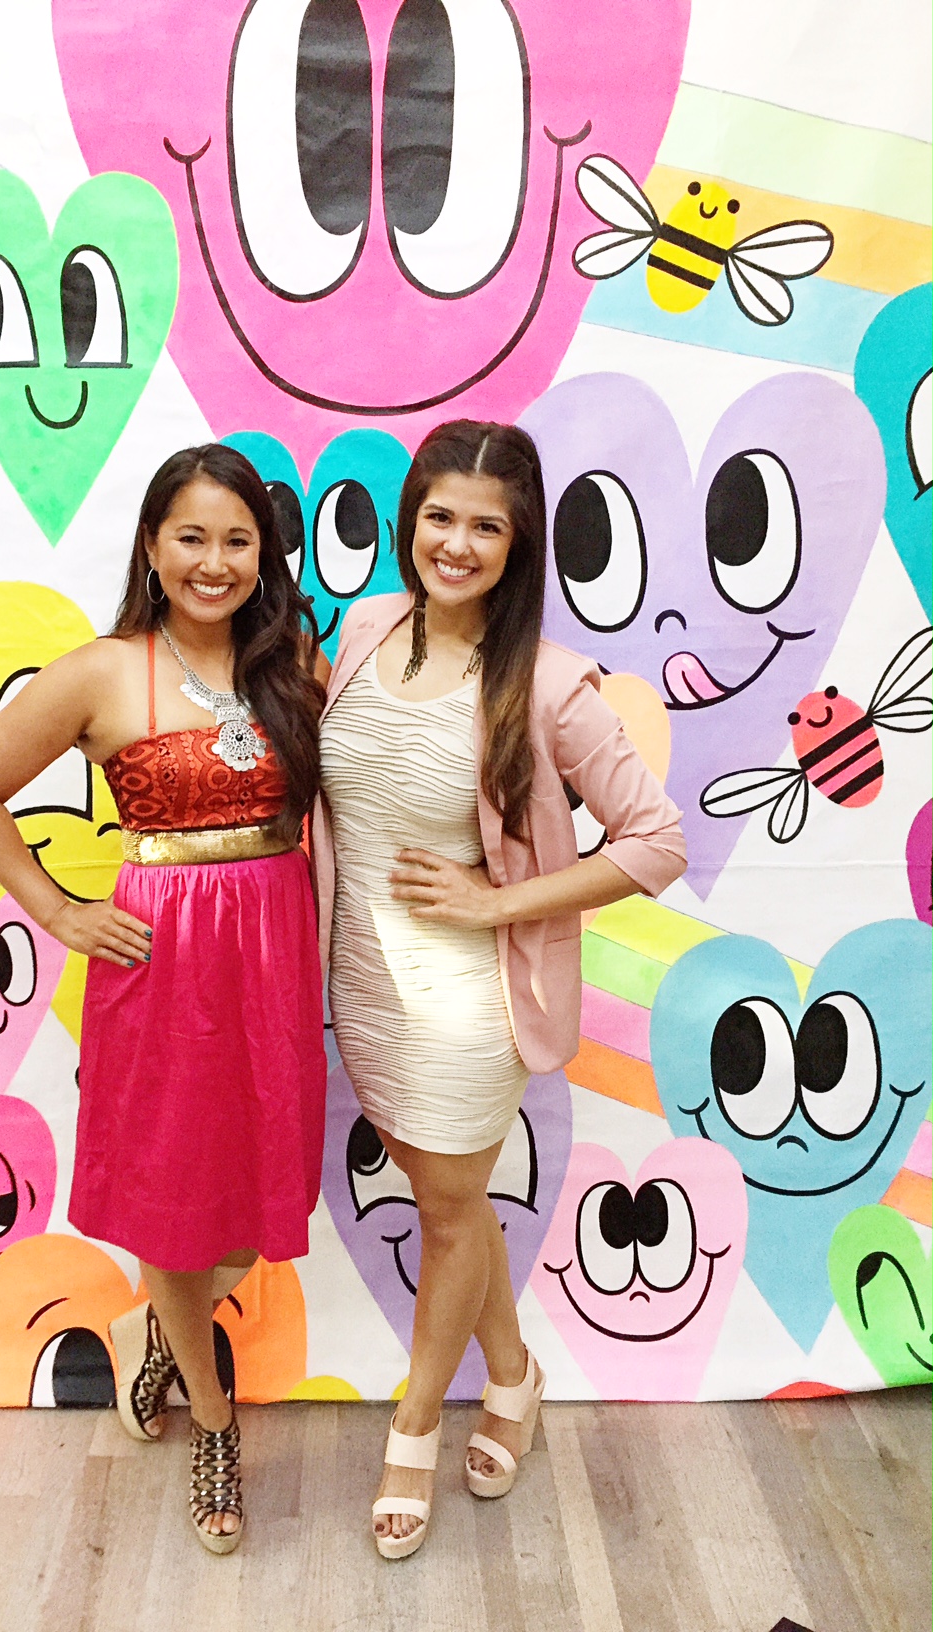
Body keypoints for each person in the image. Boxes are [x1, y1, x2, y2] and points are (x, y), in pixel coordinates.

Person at [0, 443, 329, 1555]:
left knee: (260, 1189)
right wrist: (58, 912)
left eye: (238, 540)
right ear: (153, 546)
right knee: (169, 1192)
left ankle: (161, 1334)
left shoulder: (291, 659)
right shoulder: (102, 670)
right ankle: (213, 1419)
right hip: (160, 962)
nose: (214, 561)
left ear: (265, 554)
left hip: (273, 955)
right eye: (191, 537)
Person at [314, 420, 686, 1560]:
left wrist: (497, 903)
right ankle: (515, 1374)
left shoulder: (553, 684)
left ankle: (415, 1426)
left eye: (488, 525)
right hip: (362, 978)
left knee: (445, 1208)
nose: (457, 544)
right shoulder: (365, 627)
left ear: (521, 543)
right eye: (440, 516)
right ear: (409, 519)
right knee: (454, 1201)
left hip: (468, 1000)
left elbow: (656, 841)